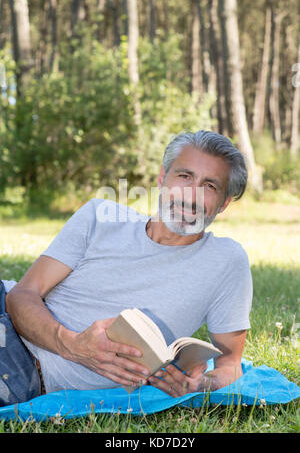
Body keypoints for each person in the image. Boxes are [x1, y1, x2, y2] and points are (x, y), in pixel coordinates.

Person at [0, 130, 253, 406]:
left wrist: (204, 384)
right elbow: (21, 294)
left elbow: (230, 364)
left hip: (28, 369)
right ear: (162, 177)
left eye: (209, 186)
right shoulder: (99, 216)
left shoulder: (227, 261)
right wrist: (72, 345)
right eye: (184, 176)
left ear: (224, 202)